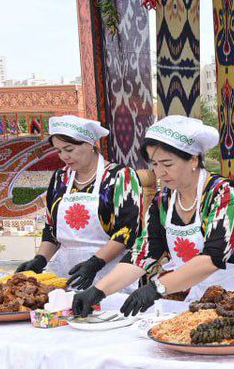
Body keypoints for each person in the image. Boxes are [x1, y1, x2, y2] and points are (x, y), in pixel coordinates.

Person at [71, 115, 234, 317]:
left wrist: (156, 288)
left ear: (193, 160)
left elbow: (212, 258)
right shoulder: (163, 201)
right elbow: (143, 254)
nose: (160, 173)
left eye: (167, 164)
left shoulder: (224, 194)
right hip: (206, 291)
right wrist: (98, 291)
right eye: (154, 164)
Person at [16, 115, 142, 289]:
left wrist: (94, 263)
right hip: (65, 272)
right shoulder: (60, 178)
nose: (64, 157)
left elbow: (126, 232)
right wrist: (40, 259)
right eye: (59, 151)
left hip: (110, 273)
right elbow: (52, 229)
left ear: (90, 144)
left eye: (69, 149)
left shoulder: (121, 177)